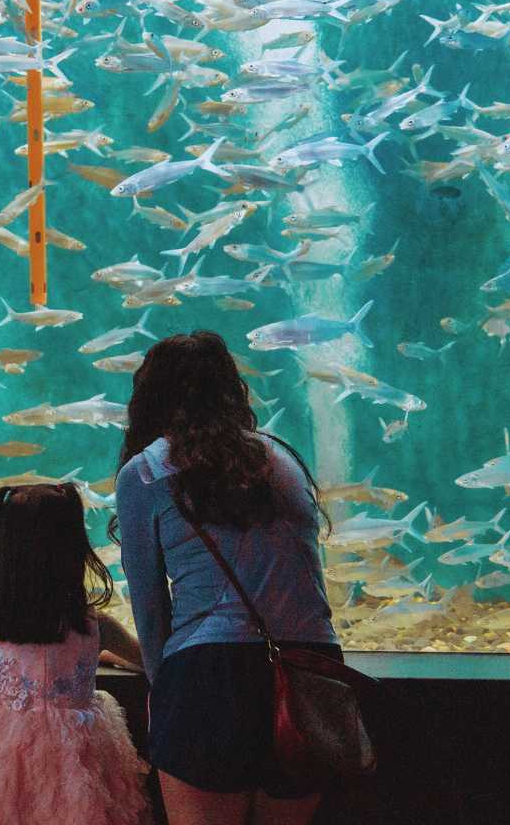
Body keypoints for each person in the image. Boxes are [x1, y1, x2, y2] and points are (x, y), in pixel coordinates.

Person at [112, 331, 340, 825]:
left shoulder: (145, 472)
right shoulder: (282, 457)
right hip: (310, 671)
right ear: (233, 390)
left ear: (150, 398)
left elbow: (149, 605)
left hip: (209, 675)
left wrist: (163, 688)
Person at [0, 482, 152, 825]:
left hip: (6, 760)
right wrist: (112, 657)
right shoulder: (96, 625)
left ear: (3, 551)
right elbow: (150, 659)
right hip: (79, 757)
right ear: (73, 550)